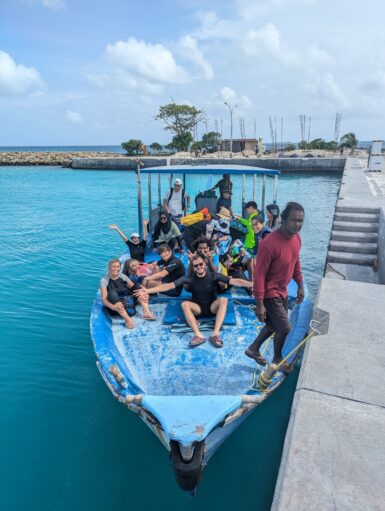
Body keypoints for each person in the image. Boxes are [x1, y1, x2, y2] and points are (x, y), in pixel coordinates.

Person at [136, 254, 252, 348]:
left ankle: (216, 335)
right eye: (196, 266)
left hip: (212, 306)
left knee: (223, 300)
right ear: (193, 267)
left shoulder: (214, 276)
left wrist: (252, 284)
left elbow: (236, 282)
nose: (199, 267)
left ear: (205, 264)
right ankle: (198, 335)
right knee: (185, 304)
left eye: (201, 264)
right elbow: (169, 286)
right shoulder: (189, 278)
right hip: (198, 308)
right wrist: (148, 290)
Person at [245, 202, 305, 373]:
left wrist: (300, 285)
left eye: (301, 221)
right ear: (283, 219)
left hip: (282, 290)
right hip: (269, 292)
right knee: (285, 327)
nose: (298, 225)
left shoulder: (297, 239)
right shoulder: (269, 243)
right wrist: (259, 303)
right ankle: (277, 357)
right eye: (294, 220)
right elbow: (259, 275)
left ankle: (254, 348)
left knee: (273, 324)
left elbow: (296, 263)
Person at [100, 259, 155, 328]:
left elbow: (134, 288)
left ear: (120, 267)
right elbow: (104, 300)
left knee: (138, 287)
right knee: (112, 293)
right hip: (116, 305)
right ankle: (128, 320)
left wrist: (144, 292)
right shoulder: (104, 280)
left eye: (118, 267)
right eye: (113, 267)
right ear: (109, 267)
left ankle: (146, 312)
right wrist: (113, 307)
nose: (116, 269)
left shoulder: (123, 276)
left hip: (126, 300)